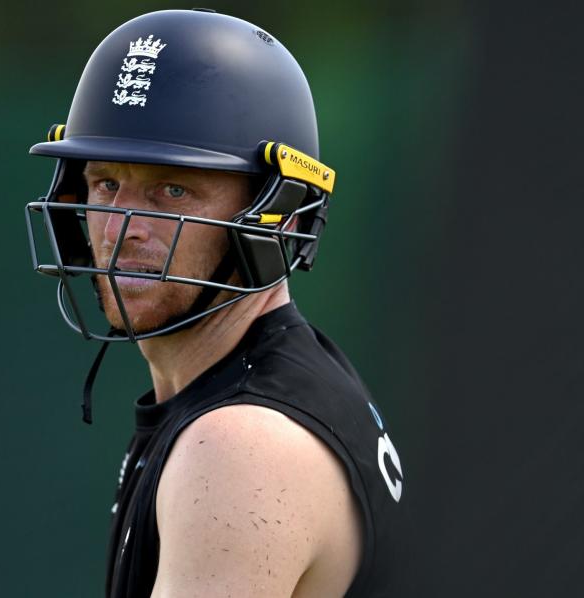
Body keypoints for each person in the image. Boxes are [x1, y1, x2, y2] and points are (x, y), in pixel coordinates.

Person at [24, 9, 409, 597]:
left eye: (173, 190)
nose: (123, 227)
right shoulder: (264, 391)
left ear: (280, 214)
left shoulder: (239, 447)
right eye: (106, 184)